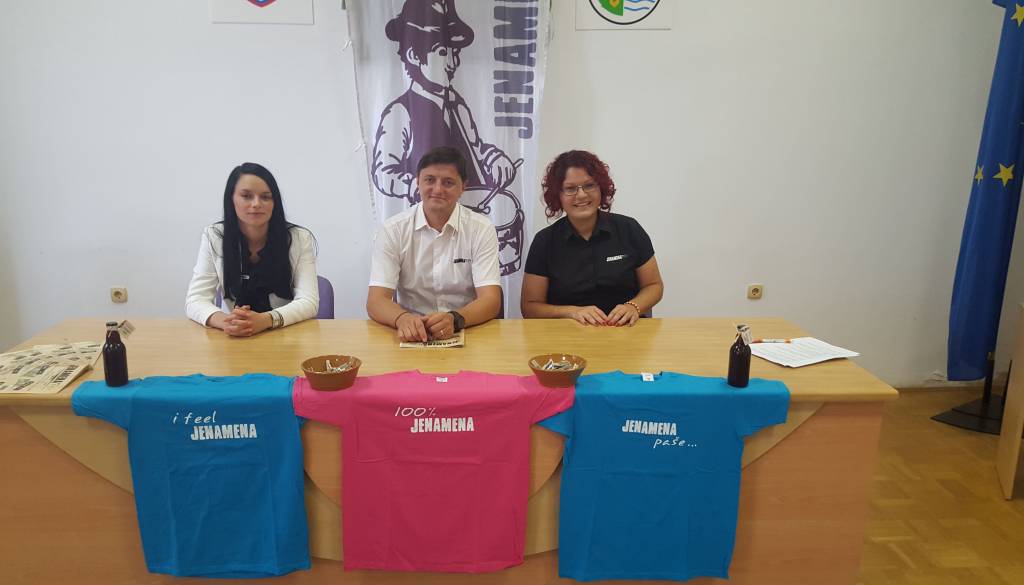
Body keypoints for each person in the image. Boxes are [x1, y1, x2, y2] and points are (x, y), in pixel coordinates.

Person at [367, 147, 502, 342]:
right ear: (418, 182)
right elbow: (376, 300)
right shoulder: (392, 230)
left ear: (463, 187)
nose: (437, 190)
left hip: (466, 327)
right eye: (429, 180)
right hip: (410, 332)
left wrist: (455, 319)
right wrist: (402, 319)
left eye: (448, 182)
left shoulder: (481, 228)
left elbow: (490, 299)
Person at [521, 150, 664, 326]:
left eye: (589, 185)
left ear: (601, 188)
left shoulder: (629, 229)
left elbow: (654, 286)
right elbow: (530, 307)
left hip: (627, 331)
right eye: (570, 188)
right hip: (568, 335)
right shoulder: (544, 241)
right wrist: (571, 312)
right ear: (558, 195)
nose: (581, 195)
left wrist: (633, 306)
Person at [185, 162, 319, 336]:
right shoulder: (215, 236)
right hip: (235, 336)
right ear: (231, 199)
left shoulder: (299, 238)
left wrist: (266, 320)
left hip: (285, 336)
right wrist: (227, 322)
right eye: (246, 196)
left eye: (266, 197)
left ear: (275, 202)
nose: (256, 204)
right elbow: (196, 299)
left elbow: (309, 301)